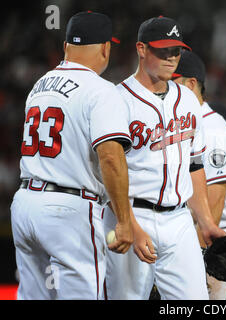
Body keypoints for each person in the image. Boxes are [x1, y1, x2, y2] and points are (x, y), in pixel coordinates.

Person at [10, 11, 139, 300]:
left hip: (25, 203)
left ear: (67, 45)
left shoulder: (40, 85)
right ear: (106, 48)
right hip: (68, 209)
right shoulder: (101, 90)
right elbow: (110, 157)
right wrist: (124, 220)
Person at [103, 16, 225, 300]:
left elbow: (195, 164)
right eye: (163, 50)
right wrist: (130, 224)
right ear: (141, 49)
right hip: (133, 214)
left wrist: (205, 221)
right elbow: (105, 173)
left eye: (176, 51)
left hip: (180, 218)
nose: (171, 58)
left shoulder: (187, 99)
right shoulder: (116, 99)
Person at [172, 51, 226, 300]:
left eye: (171, 82)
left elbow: (214, 203)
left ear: (190, 84)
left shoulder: (212, 128)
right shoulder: (188, 122)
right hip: (197, 236)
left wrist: (195, 258)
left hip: (219, 240)